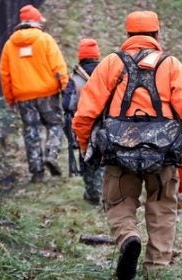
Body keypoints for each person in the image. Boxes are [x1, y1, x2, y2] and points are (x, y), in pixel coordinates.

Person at [72, 10, 182, 279]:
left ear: (128, 35)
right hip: (164, 155)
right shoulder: (171, 65)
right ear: (157, 35)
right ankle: (156, 270)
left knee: (119, 203)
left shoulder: (111, 63)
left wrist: (87, 146)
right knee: (163, 210)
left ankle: (128, 238)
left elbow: (85, 113)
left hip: (119, 154)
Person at [0, 4, 68, 183]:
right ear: (37, 21)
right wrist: (64, 87)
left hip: (23, 96)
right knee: (55, 125)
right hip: (48, 93)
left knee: (31, 131)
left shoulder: (9, 45)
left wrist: (10, 98)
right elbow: (58, 66)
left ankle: (37, 173)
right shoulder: (45, 39)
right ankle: (51, 155)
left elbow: (4, 74)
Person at [62, 38, 104, 205]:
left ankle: (92, 193)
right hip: (105, 124)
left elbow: (67, 104)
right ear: (96, 56)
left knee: (86, 158)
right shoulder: (106, 73)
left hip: (83, 124)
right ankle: (104, 193)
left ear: (81, 56)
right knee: (104, 159)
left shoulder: (74, 78)